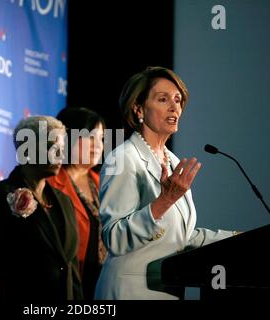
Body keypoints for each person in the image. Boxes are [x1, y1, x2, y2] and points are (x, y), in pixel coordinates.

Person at [94, 66, 236, 300]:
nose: (174, 107)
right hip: (129, 291)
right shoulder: (123, 158)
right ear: (138, 109)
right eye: (163, 99)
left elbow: (182, 237)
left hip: (166, 291)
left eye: (178, 100)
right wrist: (165, 201)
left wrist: (233, 239)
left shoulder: (173, 161)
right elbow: (115, 239)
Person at [0, 116, 83, 300]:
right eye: (52, 147)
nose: (61, 155)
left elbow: (71, 269)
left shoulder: (65, 201)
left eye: (62, 148)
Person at [48, 107, 107, 300]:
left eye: (101, 138)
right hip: (67, 285)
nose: (98, 145)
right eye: (91, 137)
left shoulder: (104, 182)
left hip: (104, 283)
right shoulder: (48, 183)